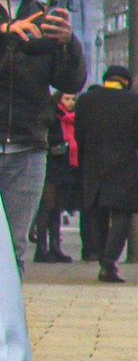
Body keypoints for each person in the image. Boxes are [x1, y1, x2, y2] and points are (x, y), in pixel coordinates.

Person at [0, 0, 85, 268]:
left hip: (26, 147)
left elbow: (70, 82)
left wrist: (67, 43)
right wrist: (5, 33)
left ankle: (7, 322)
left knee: (14, 250)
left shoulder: (38, 12)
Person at [74, 65, 138, 285]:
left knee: (96, 212)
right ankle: (109, 261)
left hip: (94, 164)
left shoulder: (86, 100)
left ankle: (101, 259)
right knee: (121, 215)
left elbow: (79, 133)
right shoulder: (135, 102)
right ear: (126, 82)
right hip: (124, 165)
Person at [34, 89, 74, 262]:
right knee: (47, 207)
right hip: (50, 164)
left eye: (73, 99)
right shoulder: (52, 116)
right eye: (67, 98)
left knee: (57, 208)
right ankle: (41, 248)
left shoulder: (71, 119)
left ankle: (55, 246)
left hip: (64, 166)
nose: (71, 102)